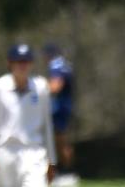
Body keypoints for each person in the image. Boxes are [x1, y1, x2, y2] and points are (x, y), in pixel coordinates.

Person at [0, 44, 57, 187]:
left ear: (31, 63)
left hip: (34, 152)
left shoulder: (41, 87)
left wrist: (51, 160)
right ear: (10, 63)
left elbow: (47, 125)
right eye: (18, 61)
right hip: (5, 151)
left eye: (26, 61)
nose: (22, 65)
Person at [43, 43, 79, 187]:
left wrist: (37, 87)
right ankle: (62, 172)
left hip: (58, 109)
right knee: (60, 141)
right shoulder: (65, 65)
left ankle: (66, 173)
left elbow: (55, 87)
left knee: (59, 141)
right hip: (64, 108)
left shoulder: (56, 65)